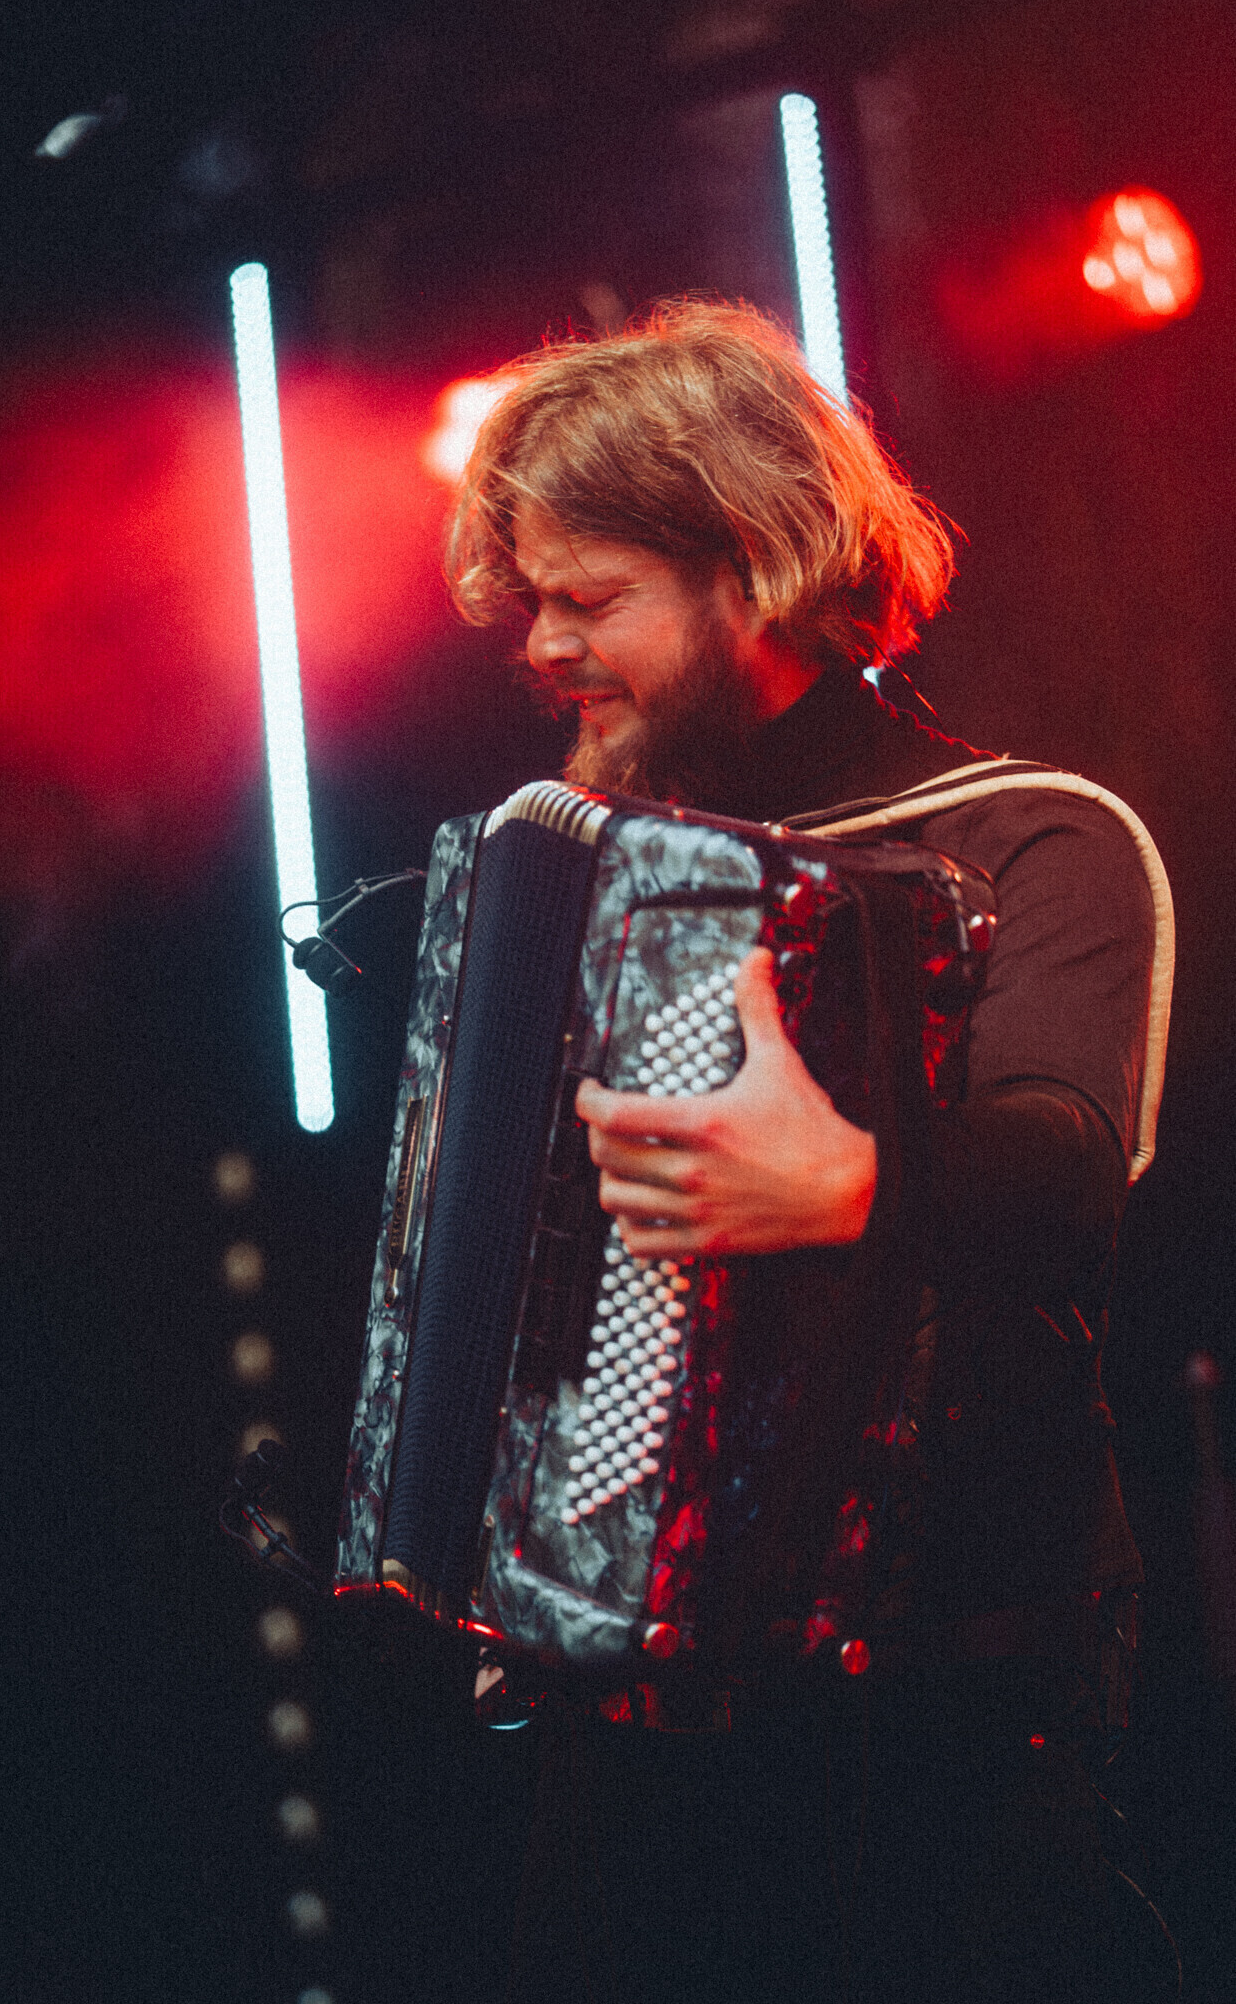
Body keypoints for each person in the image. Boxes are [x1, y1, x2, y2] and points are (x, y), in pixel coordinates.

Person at [443, 301, 1175, 2003]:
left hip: (940, 1699)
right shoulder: (583, 878)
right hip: (628, 1698)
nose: (544, 646)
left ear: (757, 572)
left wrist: (849, 1185)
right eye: (532, 602)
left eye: (590, 598)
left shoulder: (1032, 835)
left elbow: (1066, 1174)